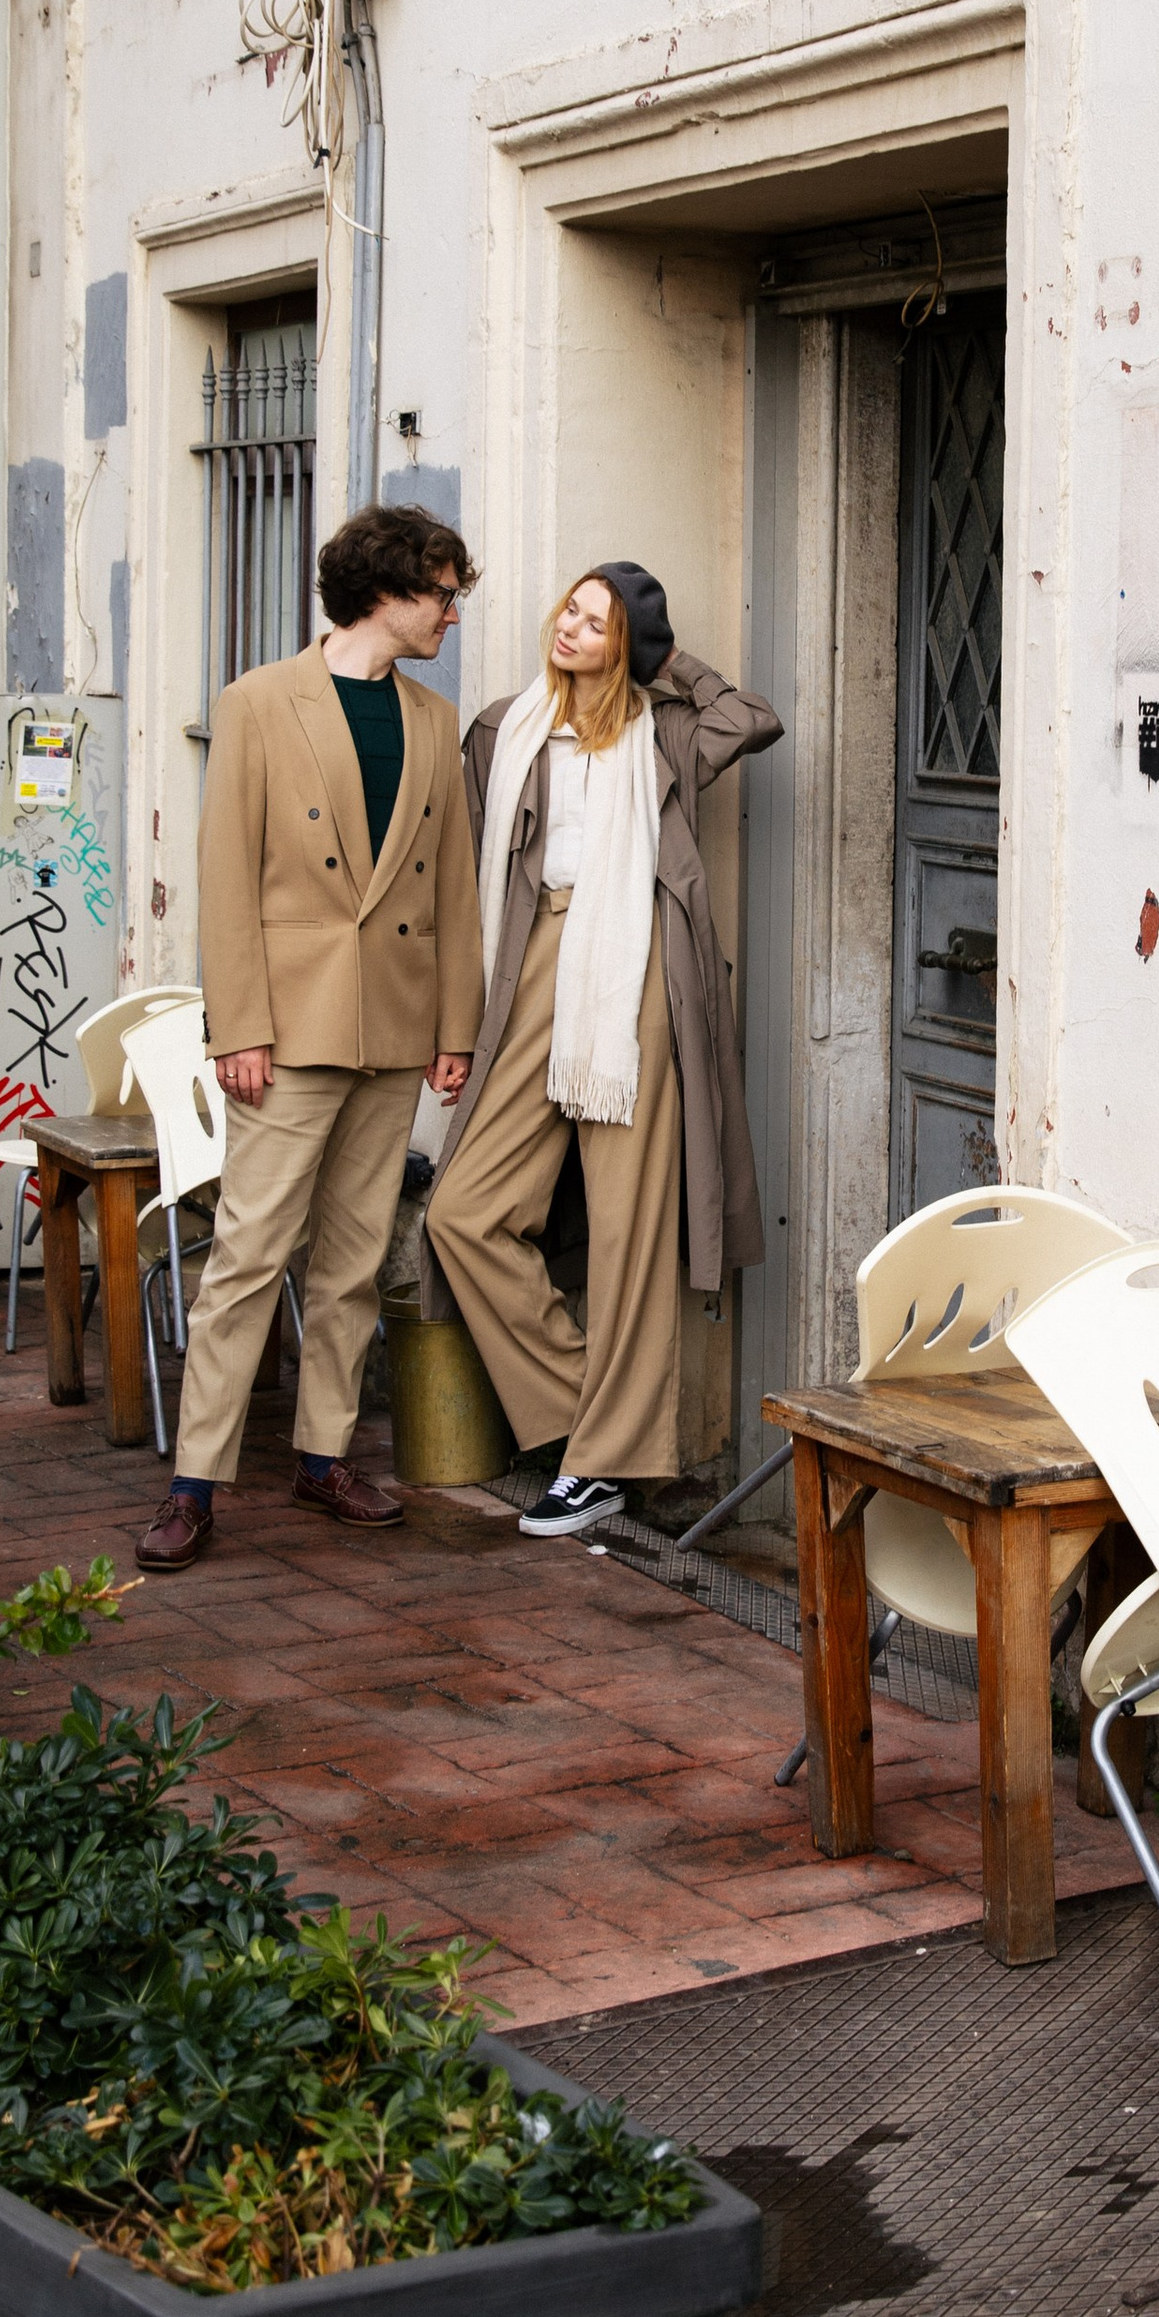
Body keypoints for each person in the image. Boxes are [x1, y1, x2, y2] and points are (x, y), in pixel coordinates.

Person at [140, 503, 484, 1572]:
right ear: (386, 592)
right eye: (442, 595)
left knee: (352, 1260)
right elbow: (226, 877)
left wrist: (455, 1026)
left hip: (394, 1024)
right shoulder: (257, 702)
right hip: (287, 1028)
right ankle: (195, 1482)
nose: (452, 615)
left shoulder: (432, 719)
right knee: (249, 1256)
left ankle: (323, 1457)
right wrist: (236, 1026)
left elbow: (455, 887)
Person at [426, 561, 780, 1538]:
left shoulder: (662, 733)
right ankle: (595, 1416)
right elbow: (462, 877)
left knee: (630, 1230)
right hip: (532, 961)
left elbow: (750, 718)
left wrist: (668, 663)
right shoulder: (504, 729)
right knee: (462, 1213)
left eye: (597, 622)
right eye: (570, 611)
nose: (571, 629)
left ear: (628, 646)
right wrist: (456, 1026)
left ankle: (599, 1464)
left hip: (635, 979)